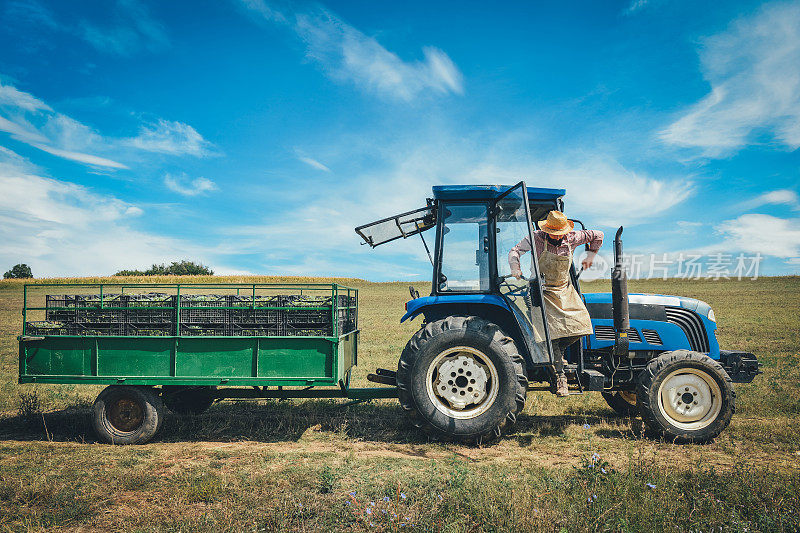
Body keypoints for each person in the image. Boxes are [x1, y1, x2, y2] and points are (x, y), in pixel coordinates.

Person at [508, 210, 603, 397]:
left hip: (564, 289)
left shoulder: (573, 237)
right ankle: (561, 378)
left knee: (582, 326)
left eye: (560, 232)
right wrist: (515, 267)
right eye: (554, 232)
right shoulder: (536, 238)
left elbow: (598, 235)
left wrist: (590, 256)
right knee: (551, 337)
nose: (557, 236)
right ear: (547, 229)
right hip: (541, 291)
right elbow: (515, 251)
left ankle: (558, 353)